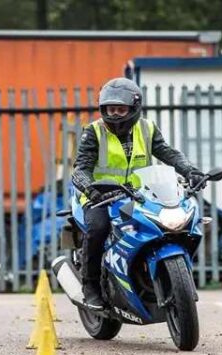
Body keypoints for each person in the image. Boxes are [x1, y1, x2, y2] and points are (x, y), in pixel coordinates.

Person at [72, 77, 203, 310]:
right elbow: (81, 168)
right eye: (110, 109)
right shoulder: (93, 132)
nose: (115, 115)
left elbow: (168, 153)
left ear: (134, 109)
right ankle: (90, 287)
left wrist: (190, 171)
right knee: (99, 228)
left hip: (141, 194)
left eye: (121, 110)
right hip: (101, 196)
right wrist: (91, 190)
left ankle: (156, 275)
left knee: (169, 224)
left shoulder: (147, 128)